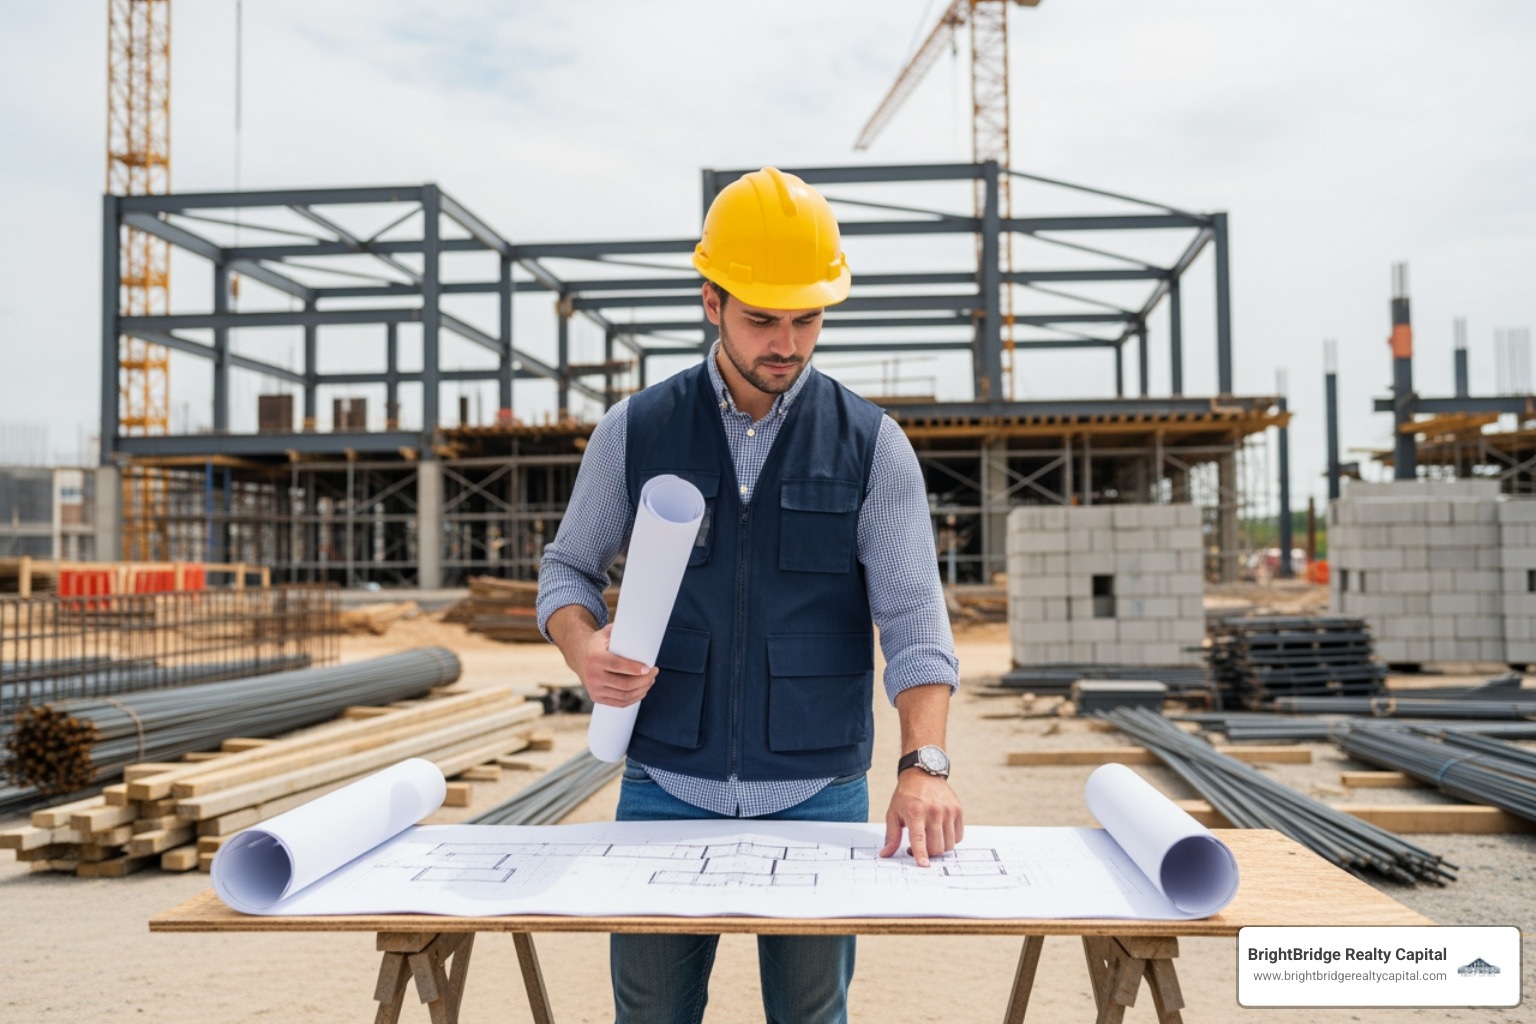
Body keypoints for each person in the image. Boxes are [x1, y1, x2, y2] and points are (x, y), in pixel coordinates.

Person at [537, 166, 962, 1024]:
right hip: (664, 784)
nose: (789, 343)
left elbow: (916, 621)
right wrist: (584, 647)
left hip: (819, 792)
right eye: (763, 318)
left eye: (807, 318)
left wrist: (924, 765)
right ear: (710, 301)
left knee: (809, 1020)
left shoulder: (873, 446)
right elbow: (566, 570)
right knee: (651, 1019)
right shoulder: (635, 429)